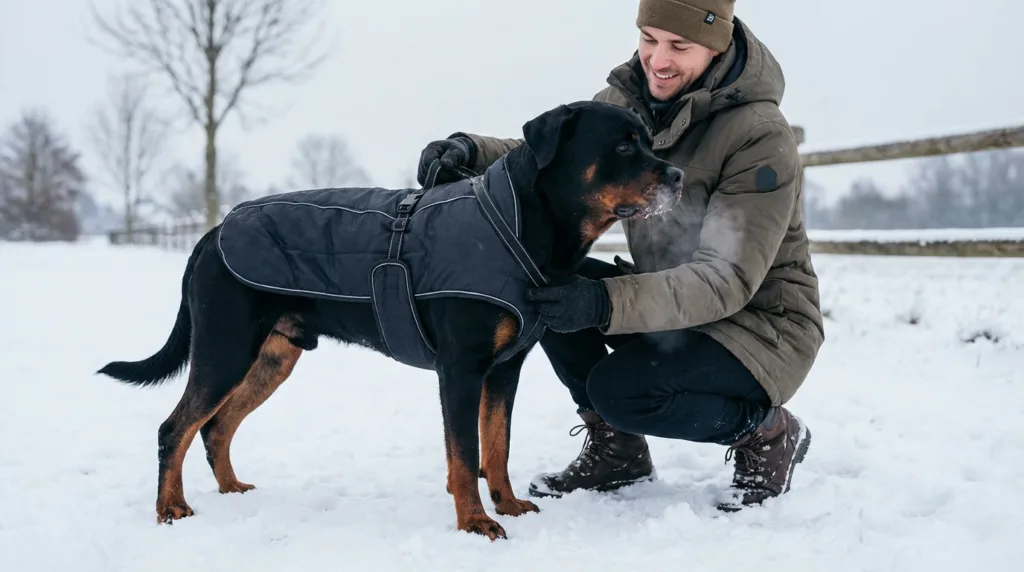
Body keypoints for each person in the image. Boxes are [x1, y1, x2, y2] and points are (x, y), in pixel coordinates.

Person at [415, 0, 824, 511]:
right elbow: (556, 154)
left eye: (679, 46)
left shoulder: (758, 135)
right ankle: (619, 454)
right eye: (649, 39)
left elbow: (727, 279)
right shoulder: (627, 100)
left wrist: (604, 303)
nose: (659, 60)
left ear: (716, 47)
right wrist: (471, 151)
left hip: (760, 329)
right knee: (541, 282)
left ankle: (767, 434)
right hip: (672, 308)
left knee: (623, 392)